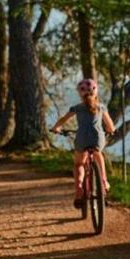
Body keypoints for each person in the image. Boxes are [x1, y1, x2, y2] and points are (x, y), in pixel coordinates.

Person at [51, 79, 115, 208]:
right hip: (97, 138)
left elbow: (64, 119)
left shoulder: (77, 108)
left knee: (79, 163)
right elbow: (110, 126)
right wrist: (110, 130)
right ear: (96, 92)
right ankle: (103, 181)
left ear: (80, 93)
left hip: (82, 139)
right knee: (98, 153)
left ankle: (79, 189)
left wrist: (56, 128)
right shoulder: (101, 107)